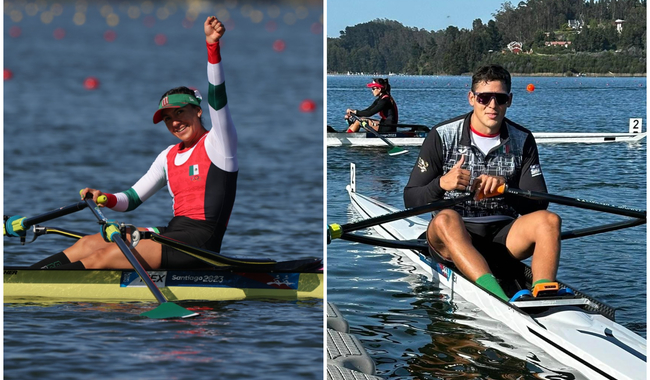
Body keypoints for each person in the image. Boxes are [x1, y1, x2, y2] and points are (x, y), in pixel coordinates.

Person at [30, 16, 237, 270]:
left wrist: (212, 45)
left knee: (104, 257)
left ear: (198, 111)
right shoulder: (167, 157)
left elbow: (218, 96)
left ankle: (48, 285)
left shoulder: (219, 144)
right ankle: (24, 276)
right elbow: (131, 199)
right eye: (168, 119)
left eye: (180, 113)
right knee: (89, 244)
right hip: (175, 234)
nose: (174, 123)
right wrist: (103, 197)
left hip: (201, 244)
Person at [403, 64, 561, 302]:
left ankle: (544, 290)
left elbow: (539, 203)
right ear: (471, 98)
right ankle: (496, 296)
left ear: (510, 100)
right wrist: (441, 185)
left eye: (500, 98)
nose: (492, 105)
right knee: (446, 217)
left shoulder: (523, 139)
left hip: (504, 239)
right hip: (452, 237)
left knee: (550, 221)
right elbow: (410, 199)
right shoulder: (442, 135)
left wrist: (505, 191)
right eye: (484, 98)